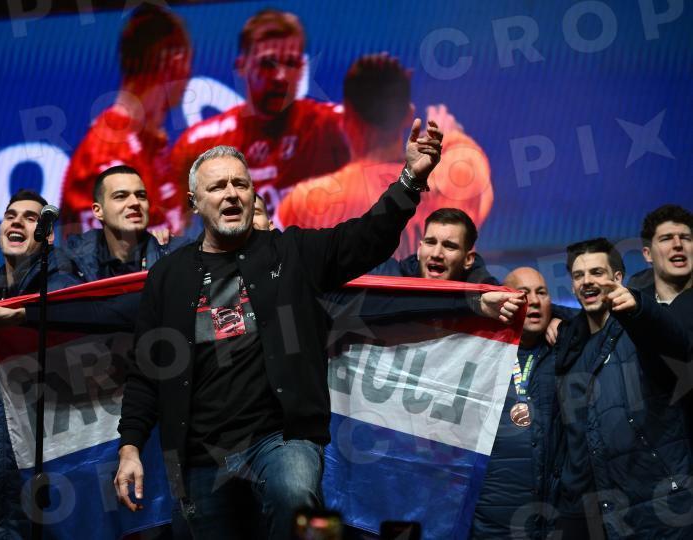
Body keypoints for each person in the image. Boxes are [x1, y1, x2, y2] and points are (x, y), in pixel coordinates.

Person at [114, 121, 524, 539]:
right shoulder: (168, 276)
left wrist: (410, 179)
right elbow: (147, 370)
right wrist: (130, 446)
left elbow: (367, 237)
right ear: (194, 202)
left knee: (296, 498)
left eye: (241, 184)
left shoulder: (292, 251)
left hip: (282, 438)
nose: (232, 194)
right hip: (200, 454)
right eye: (218, 186)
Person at [0, 190, 79, 538]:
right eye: (10, 216)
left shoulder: (61, 287)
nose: (17, 222)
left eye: (30, 217)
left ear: (47, 236)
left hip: (41, 471)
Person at [276, 54, 492, 259]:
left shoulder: (306, 202)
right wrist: (451, 138)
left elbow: (280, 269)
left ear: (346, 120)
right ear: (409, 115)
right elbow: (468, 160)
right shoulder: (458, 180)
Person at [549, 238, 692, 539]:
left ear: (618, 278)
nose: (587, 281)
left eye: (597, 273)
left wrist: (639, 308)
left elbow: (674, 343)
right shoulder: (568, 349)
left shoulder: (641, 329)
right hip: (592, 511)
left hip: (657, 502)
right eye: (578, 275)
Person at [170, 9, 350, 219]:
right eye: (267, 64)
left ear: (302, 69)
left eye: (291, 64)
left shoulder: (334, 127)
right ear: (241, 67)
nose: (281, 77)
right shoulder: (199, 147)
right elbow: (174, 227)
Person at [60, 5, 192, 235]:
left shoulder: (153, 146)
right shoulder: (106, 156)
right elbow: (103, 256)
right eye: (189, 62)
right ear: (175, 63)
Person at [471, 267, 557, 538]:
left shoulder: (564, 350)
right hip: (490, 520)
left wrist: (564, 321)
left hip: (550, 522)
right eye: (524, 293)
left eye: (542, 293)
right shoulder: (480, 353)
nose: (534, 301)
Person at [65, 164, 188, 282]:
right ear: (98, 211)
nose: (135, 202)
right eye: (120, 196)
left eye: (141, 195)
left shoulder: (181, 255)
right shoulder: (71, 263)